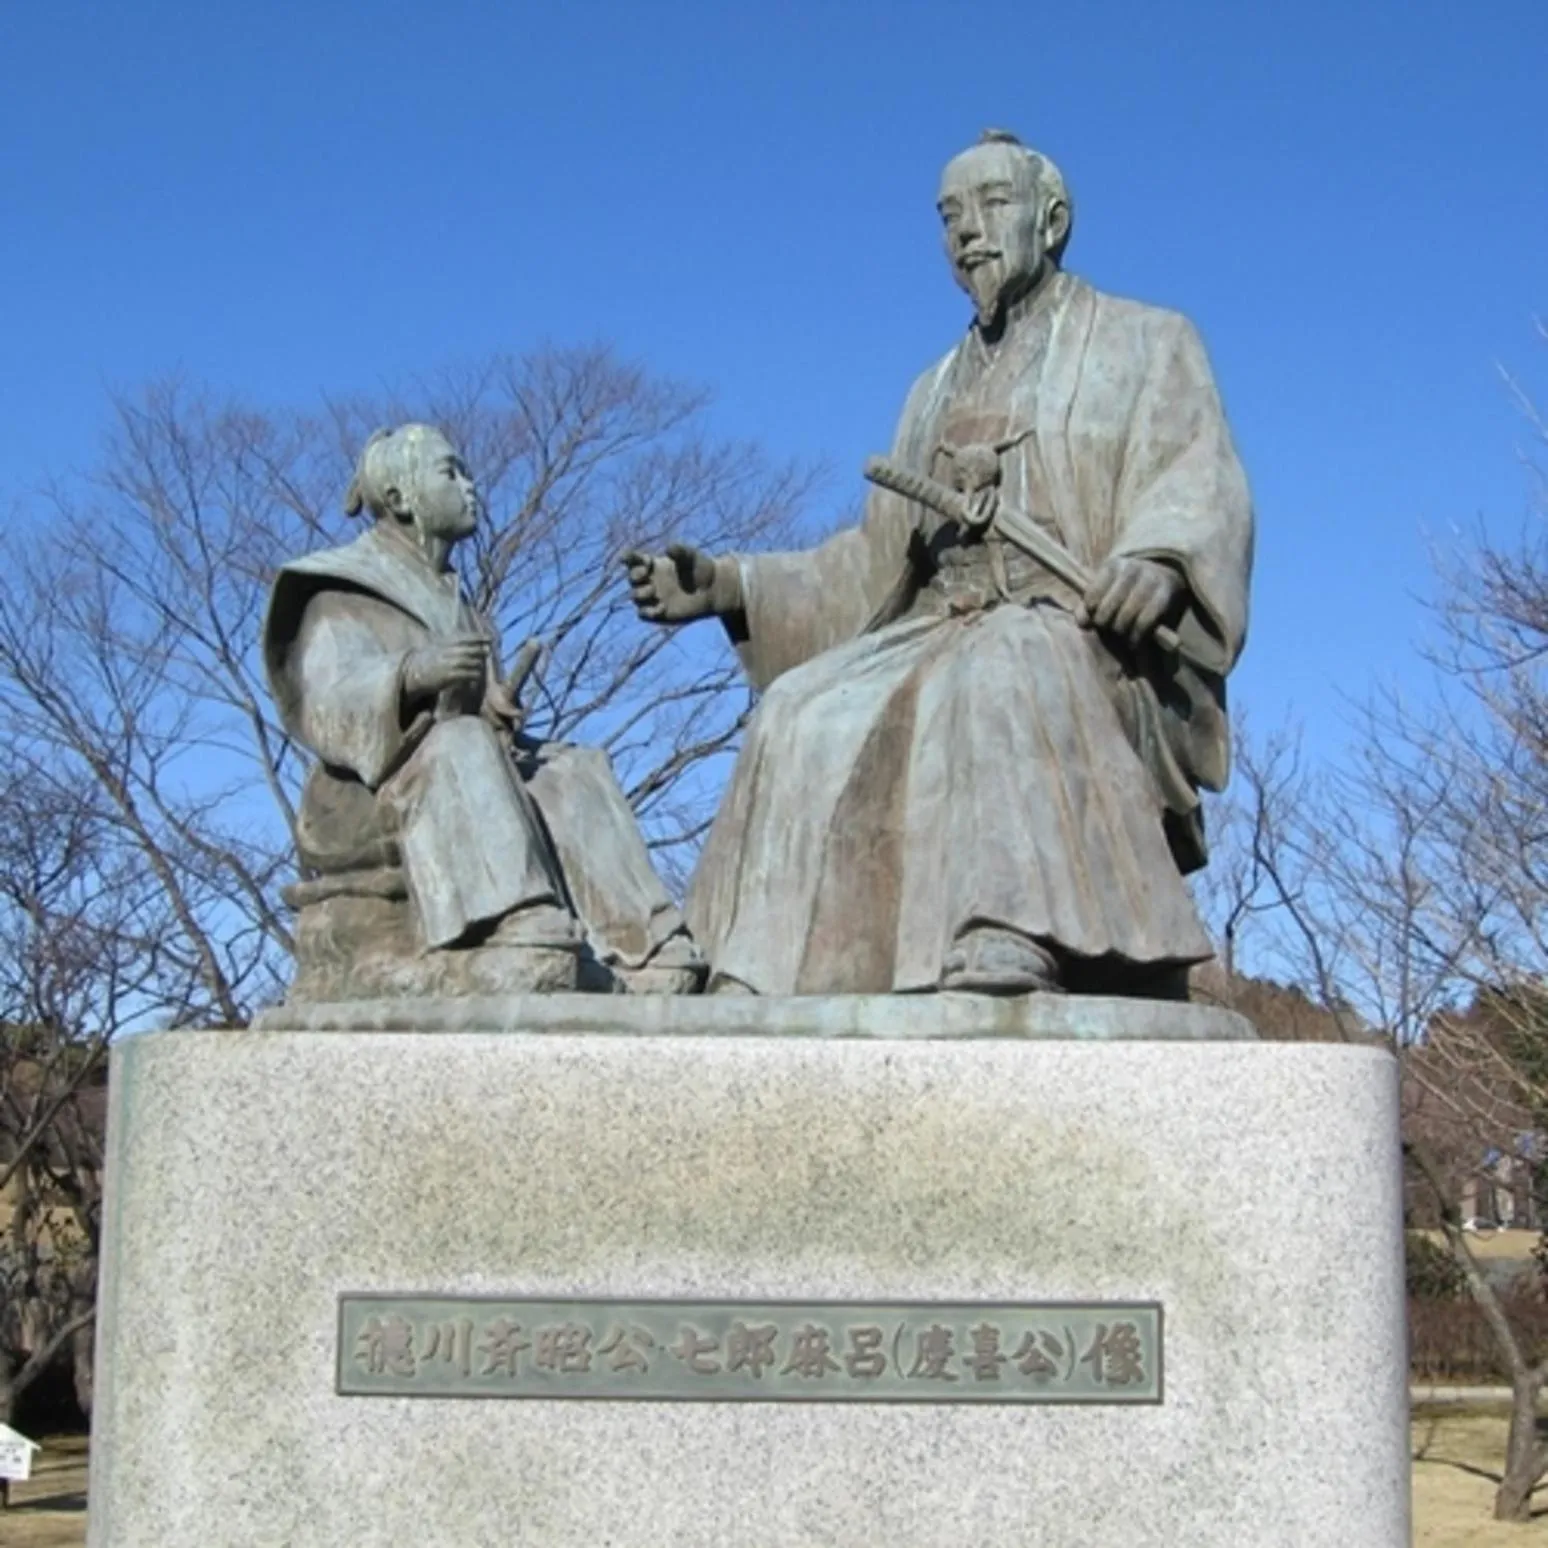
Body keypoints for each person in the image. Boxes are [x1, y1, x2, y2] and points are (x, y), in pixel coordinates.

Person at [624, 131, 1252, 998]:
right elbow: (876, 560)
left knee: (1003, 662)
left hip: (1081, 631)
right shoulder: (932, 388)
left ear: (1052, 220)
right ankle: (758, 971)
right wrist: (731, 585)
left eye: (993, 204)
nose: (967, 230)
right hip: (937, 626)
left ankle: (1008, 929)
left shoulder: (1148, 341)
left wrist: (1157, 561)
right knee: (800, 707)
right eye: (950, 214)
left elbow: (1196, 479)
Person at [265, 423, 701, 997]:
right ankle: (513, 918)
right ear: (398, 498)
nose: (470, 486)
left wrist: (495, 707)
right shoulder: (340, 588)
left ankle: (643, 941)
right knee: (463, 740)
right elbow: (328, 702)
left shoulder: (456, 598)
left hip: (455, 771)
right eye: (451, 472)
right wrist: (413, 672)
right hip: (369, 795)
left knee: (570, 766)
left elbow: (478, 720)